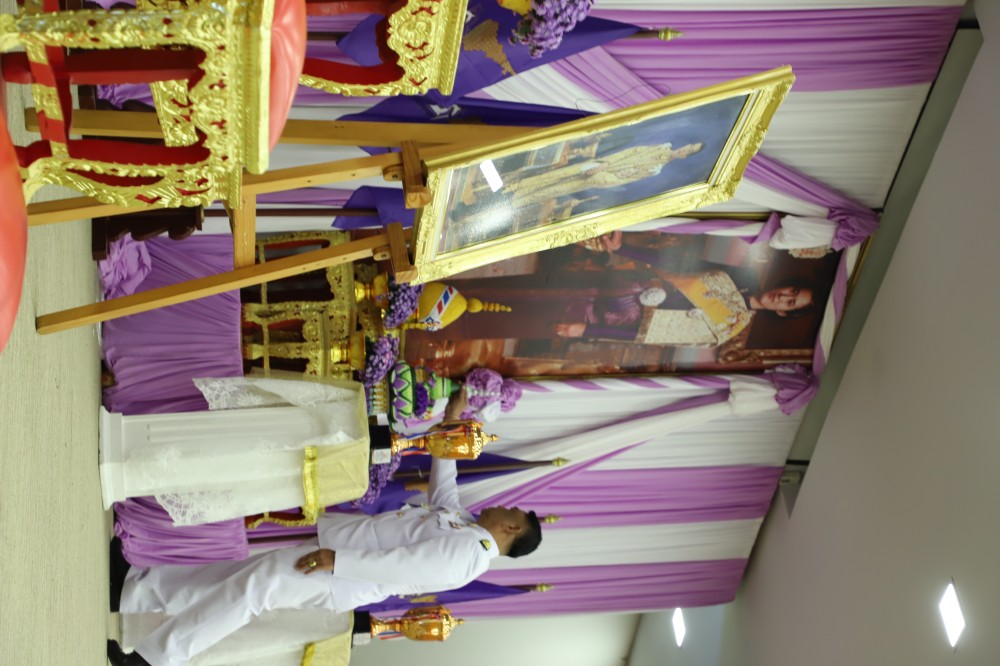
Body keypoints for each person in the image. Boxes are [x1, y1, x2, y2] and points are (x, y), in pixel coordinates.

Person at [107, 454, 543, 666]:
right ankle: (135, 590)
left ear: (511, 529)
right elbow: (444, 487)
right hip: (341, 559)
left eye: (510, 510)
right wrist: (452, 422)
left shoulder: (470, 555)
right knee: (241, 575)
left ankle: (155, 658)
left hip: (342, 574)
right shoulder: (466, 526)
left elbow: (402, 566)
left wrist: (339, 561)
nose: (500, 505)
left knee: (254, 591)